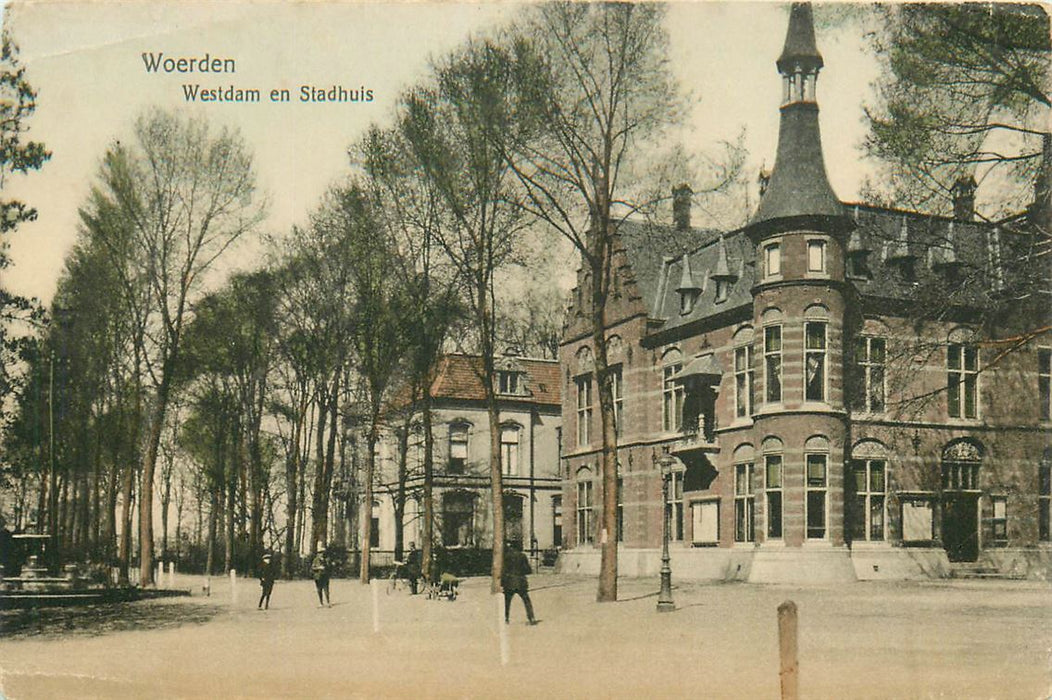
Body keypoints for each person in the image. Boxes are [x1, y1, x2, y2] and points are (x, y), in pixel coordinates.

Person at [501, 542, 537, 625]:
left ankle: (506, 618)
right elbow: (528, 570)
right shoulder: (522, 556)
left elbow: (503, 570)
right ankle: (531, 618)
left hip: (509, 582)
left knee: (507, 601)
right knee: (526, 600)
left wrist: (502, 583)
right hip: (521, 581)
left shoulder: (506, 556)